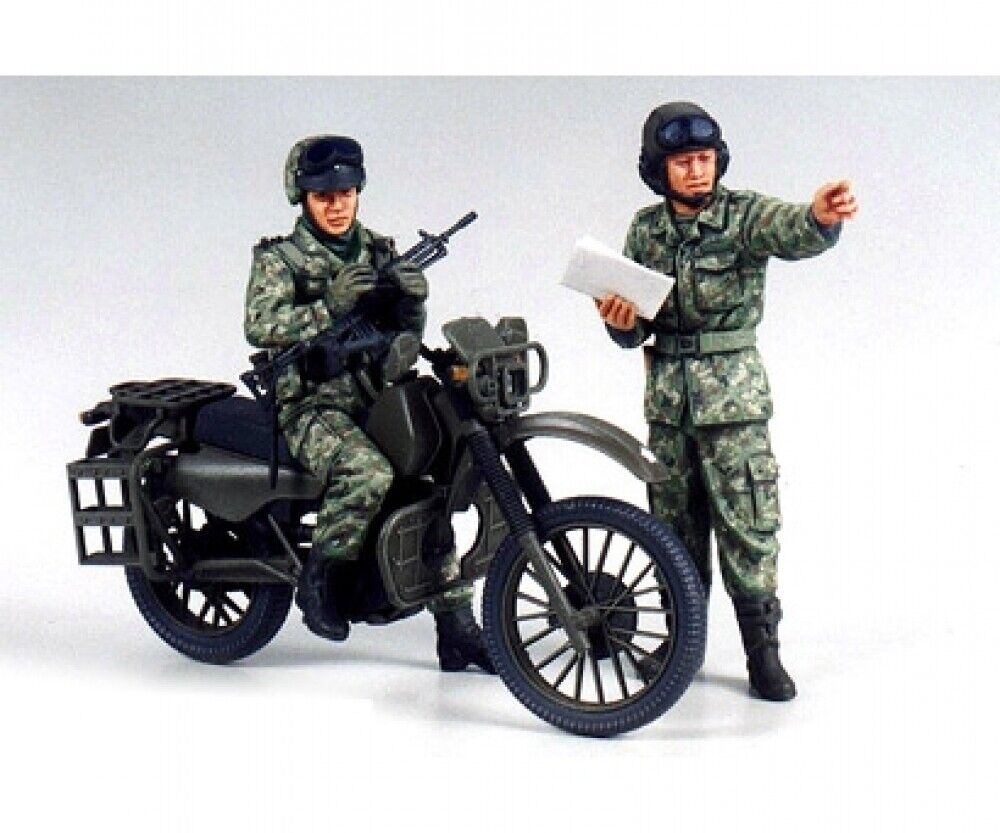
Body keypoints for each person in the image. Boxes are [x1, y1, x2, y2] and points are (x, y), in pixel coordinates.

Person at [596, 102, 857, 700]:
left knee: (748, 524)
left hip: (733, 405)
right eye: (682, 162)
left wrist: (820, 218)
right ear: (658, 170)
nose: (696, 172)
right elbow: (636, 325)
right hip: (669, 406)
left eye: (704, 159)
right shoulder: (646, 230)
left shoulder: (743, 216)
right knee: (673, 528)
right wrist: (619, 322)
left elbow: (791, 229)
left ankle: (763, 654)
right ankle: (680, 646)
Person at [244, 134, 494, 673]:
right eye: (323, 196)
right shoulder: (280, 260)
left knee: (438, 478)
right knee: (367, 473)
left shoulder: (379, 251)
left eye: (346, 193)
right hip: (310, 406)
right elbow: (259, 325)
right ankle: (321, 580)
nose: (337, 206)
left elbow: (401, 336)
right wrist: (328, 307)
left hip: (377, 396)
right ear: (302, 197)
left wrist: (413, 302)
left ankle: (456, 629)